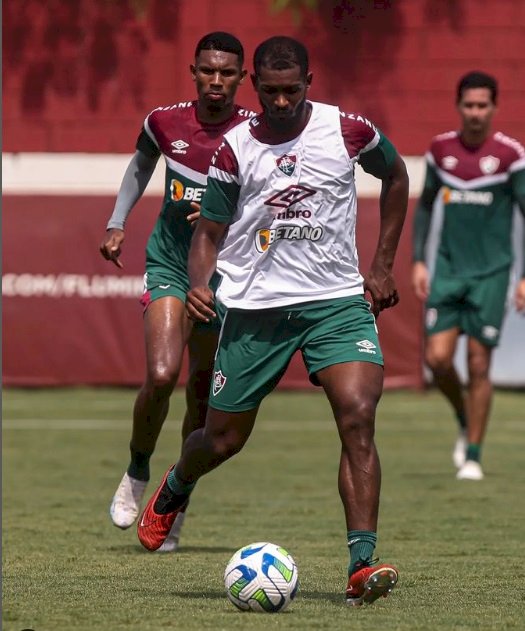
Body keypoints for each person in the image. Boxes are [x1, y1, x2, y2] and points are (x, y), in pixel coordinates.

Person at [136, 36, 409, 605]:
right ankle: (177, 484)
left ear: (309, 81)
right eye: (271, 92)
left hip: (335, 301)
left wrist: (382, 265)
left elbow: (398, 175)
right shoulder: (235, 149)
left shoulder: (347, 130)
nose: (282, 102)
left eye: (293, 91)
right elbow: (208, 233)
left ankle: (362, 562)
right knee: (223, 439)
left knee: (358, 415)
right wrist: (199, 283)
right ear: (254, 87)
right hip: (257, 306)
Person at [99, 32, 252, 551]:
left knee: (202, 394)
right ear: (193, 71)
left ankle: (174, 502)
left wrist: (224, 220)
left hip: (227, 273)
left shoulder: (256, 133)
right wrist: (118, 221)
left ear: (241, 77)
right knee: (163, 374)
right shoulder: (164, 121)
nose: (216, 81)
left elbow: (270, 205)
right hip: (170, 262)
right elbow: (142, 164)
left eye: (227, 73)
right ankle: (137, 470)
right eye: (208, 71)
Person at [411, 71, 525, 481]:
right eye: (469, 105)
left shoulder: (511, 156)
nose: (475, 112)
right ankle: (462, 413)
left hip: (492, 274)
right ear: (458, 106)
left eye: (483, 105)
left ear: (494, 107)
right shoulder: (440, 151)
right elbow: (424, 208)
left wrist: (524, 276)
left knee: (479, 364)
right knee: (437, 358)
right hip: (447, 272)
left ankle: (473, 454)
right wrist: (419, 261)